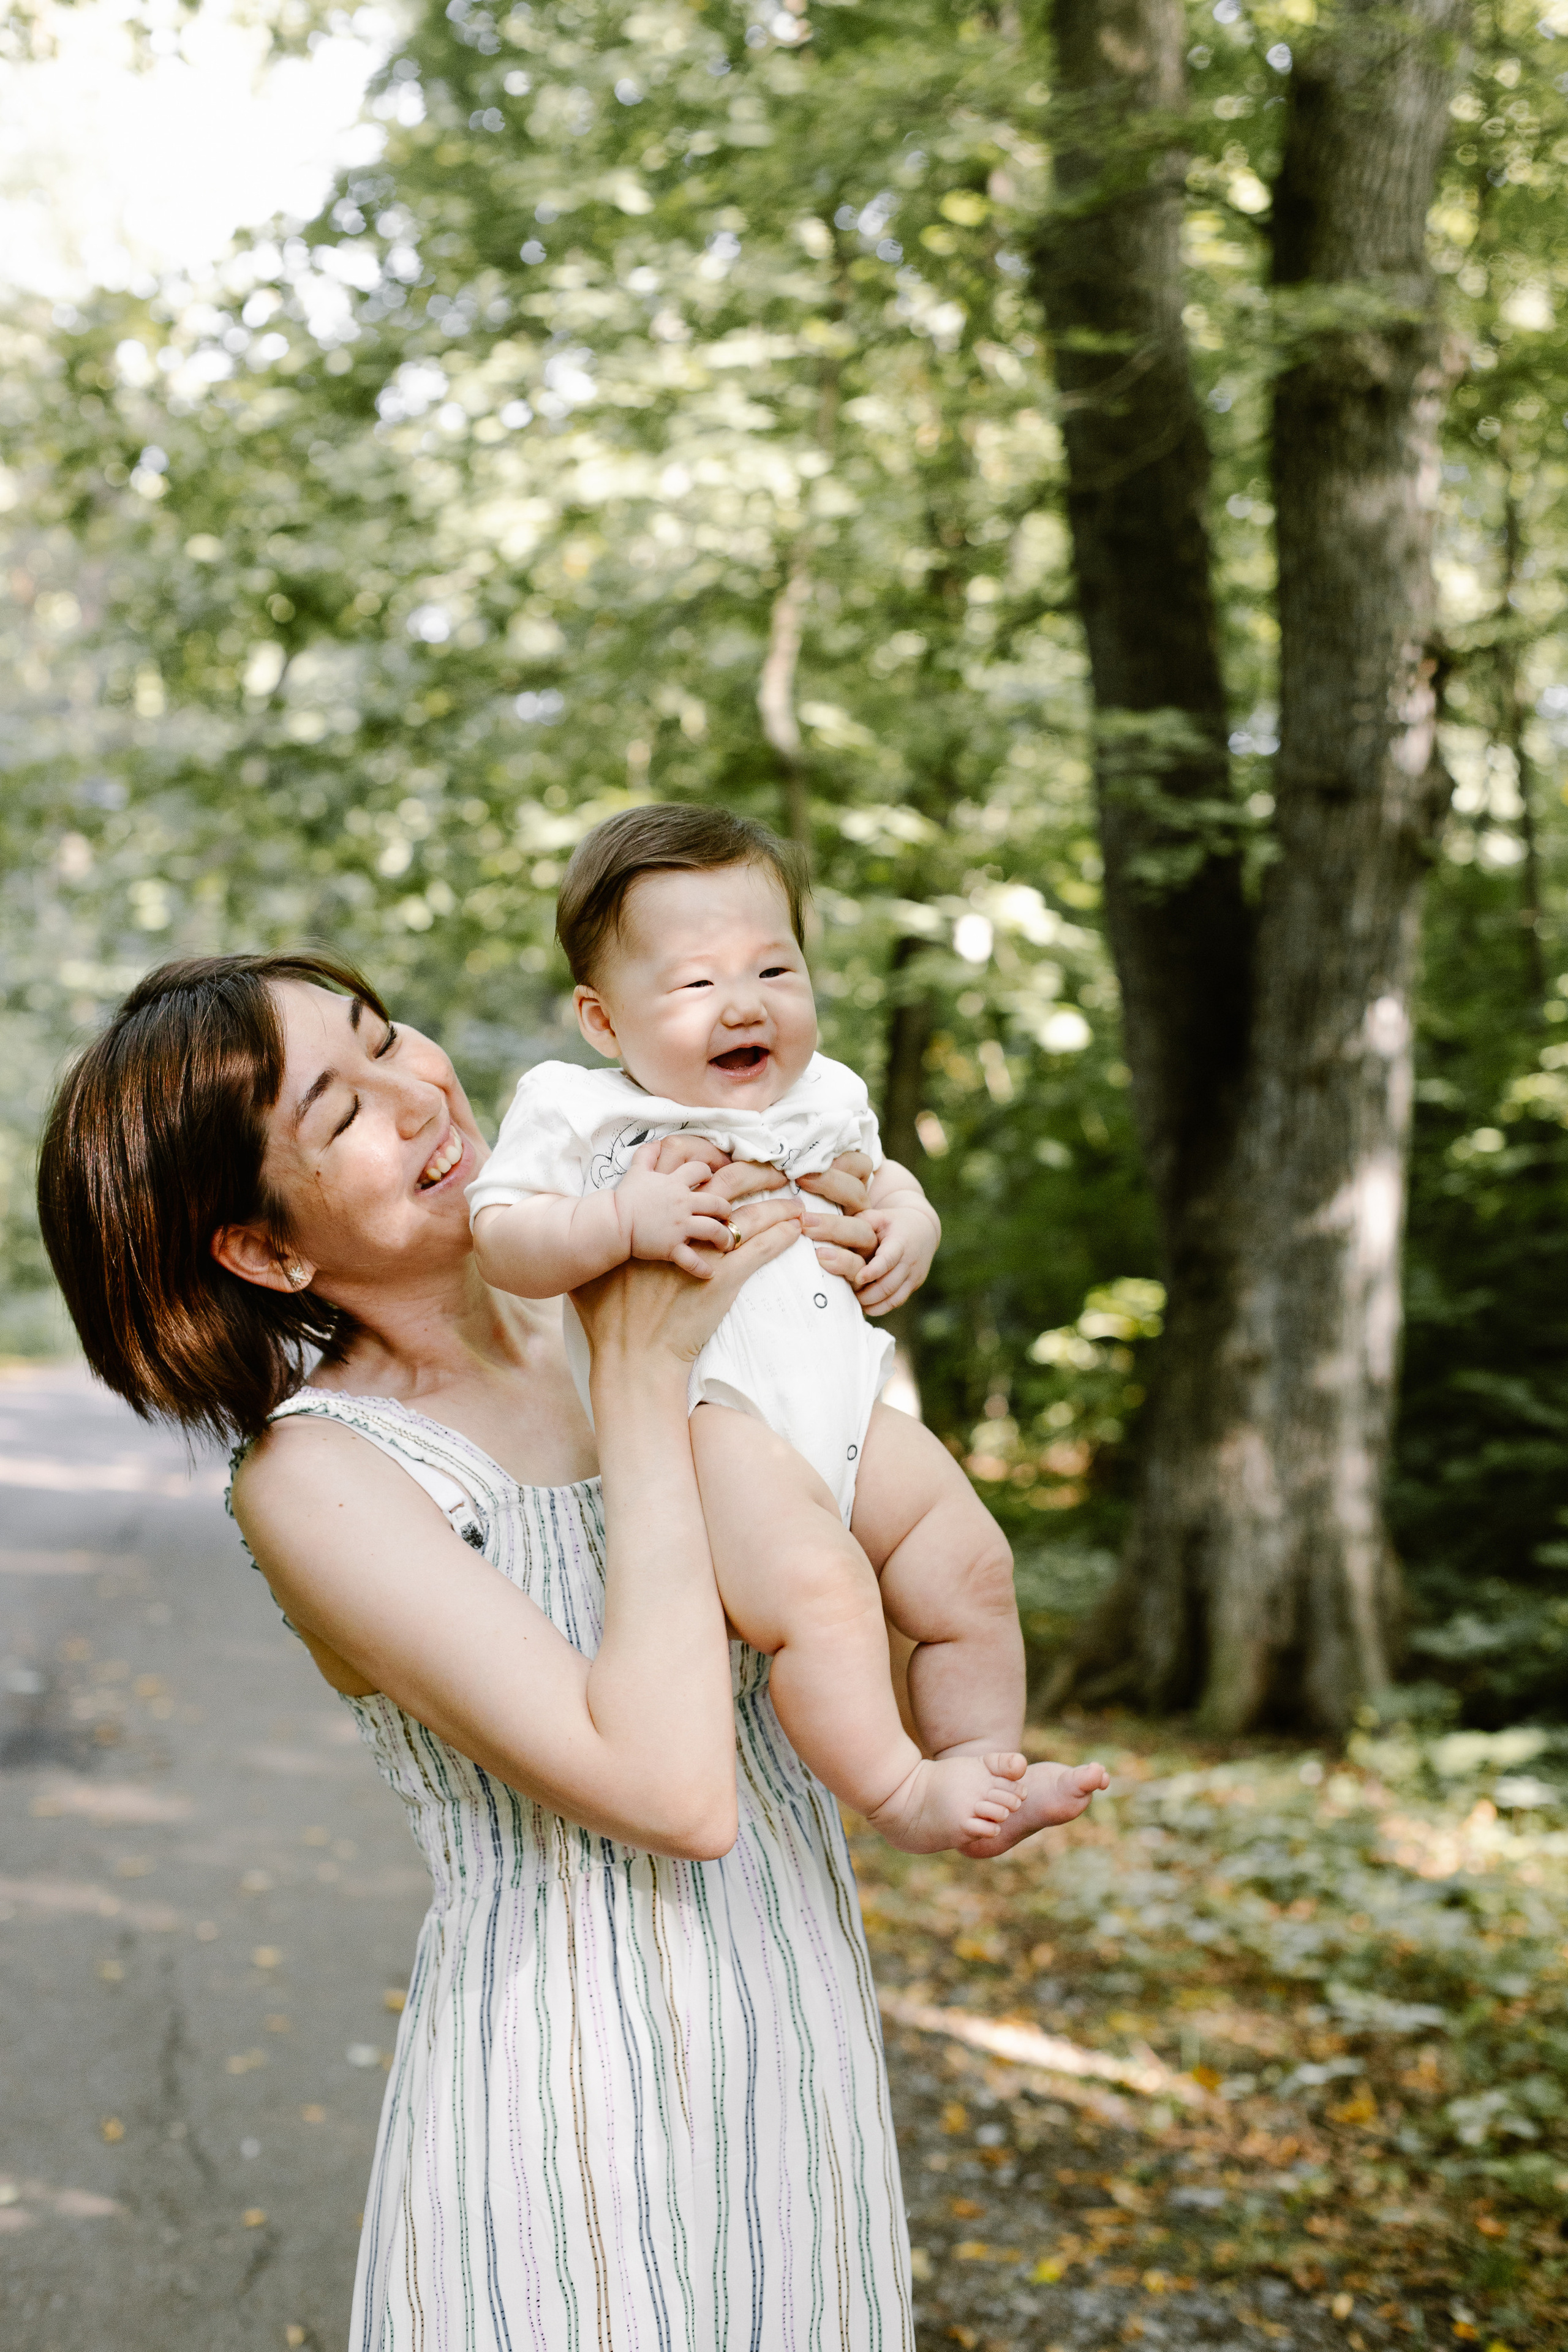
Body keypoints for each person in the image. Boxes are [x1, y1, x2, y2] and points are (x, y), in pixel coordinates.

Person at [34, 948, 1046, 2350]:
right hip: (563, 2103)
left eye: (388, 1036)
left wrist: (870, 1228)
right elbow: (673, 1796)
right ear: (265, 1250)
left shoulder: (634, 1273)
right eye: (338, 1112)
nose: (416, 1094)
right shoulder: (324, 1478)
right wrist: (638, 1375)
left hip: (794, 2040)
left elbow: (896, 1526)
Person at [470, 804, 1108, 1854]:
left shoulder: (825, 1095)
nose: (742, 1006)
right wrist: (615, 1220)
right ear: (602, 1020)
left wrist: (913, 1217)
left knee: (973, 1566)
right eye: (693, 982)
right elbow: (503, 1237)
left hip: (845, 1401)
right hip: (715, 1425)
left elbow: (883, 1172)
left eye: (774, 972)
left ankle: (979, 1766)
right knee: (827, 1594)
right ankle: (900, 1795)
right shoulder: (580, 1110)